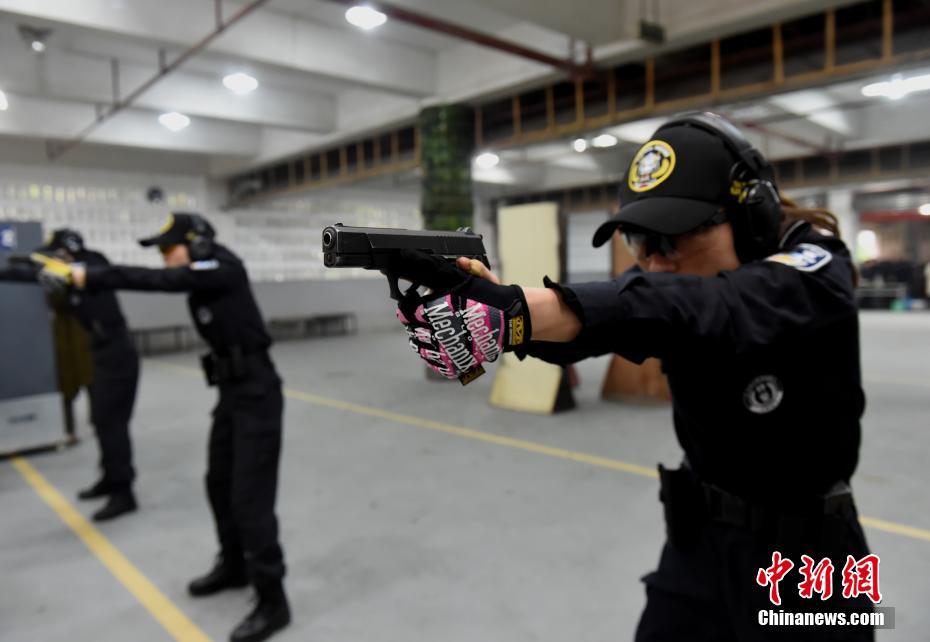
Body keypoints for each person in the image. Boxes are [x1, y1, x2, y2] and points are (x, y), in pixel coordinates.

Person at [392, 113, 874, 640]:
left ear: (749, 216)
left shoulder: (816, 270)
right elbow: (619, 315)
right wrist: (507, 314)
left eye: (669, 241)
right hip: (701, 538)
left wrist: (519, 313)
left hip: (813, 563)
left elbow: (708, 306)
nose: (651, 261)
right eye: (639, 239)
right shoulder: (664, 278)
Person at [38, 213, 290, 642]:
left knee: (250, 500)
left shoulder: (222, 267)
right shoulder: (202, 274)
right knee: (218, 483)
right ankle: (234, 566)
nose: (163, 258)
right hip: (232, 393)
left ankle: (273, 600)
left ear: (197, 244)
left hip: (258, 395)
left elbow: (156, 281)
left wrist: (89, 275)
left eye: (167, 249)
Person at [2, 229, 140, 521]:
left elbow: (88, 269)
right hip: (101, 352)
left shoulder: (95, 264)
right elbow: (34, 277)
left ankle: (123, 493)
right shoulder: (68, 274)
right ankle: (110, 479)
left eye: (58, 253)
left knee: (113, 425)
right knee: (102, 422)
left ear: (70, 251)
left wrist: (54, 264)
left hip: (117, 353)